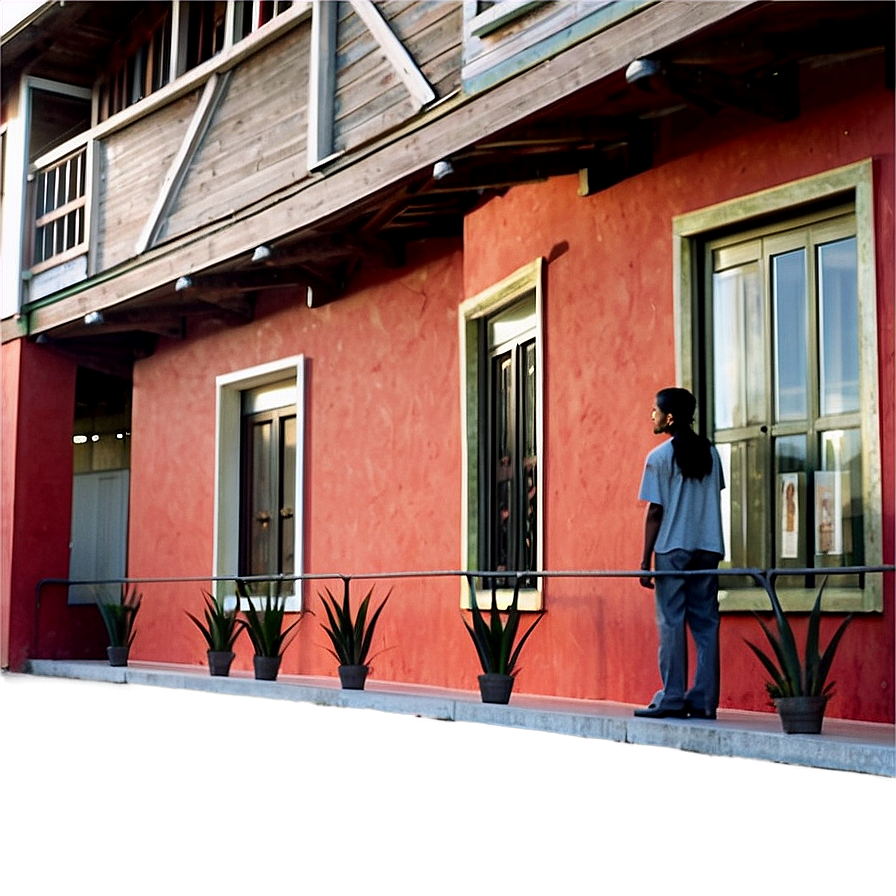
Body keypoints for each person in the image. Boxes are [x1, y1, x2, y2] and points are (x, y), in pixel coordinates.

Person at [635, 387, 725, 720]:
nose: (652, 415)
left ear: (669, 417)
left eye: (655, 410)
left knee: (671, 622)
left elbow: (655, 511)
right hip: (708, 548)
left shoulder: (658, 458)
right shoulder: (711, 454)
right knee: (706, 624)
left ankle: (672, 696)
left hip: (672, 549)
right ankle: (703, 700)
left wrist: (645, 561)